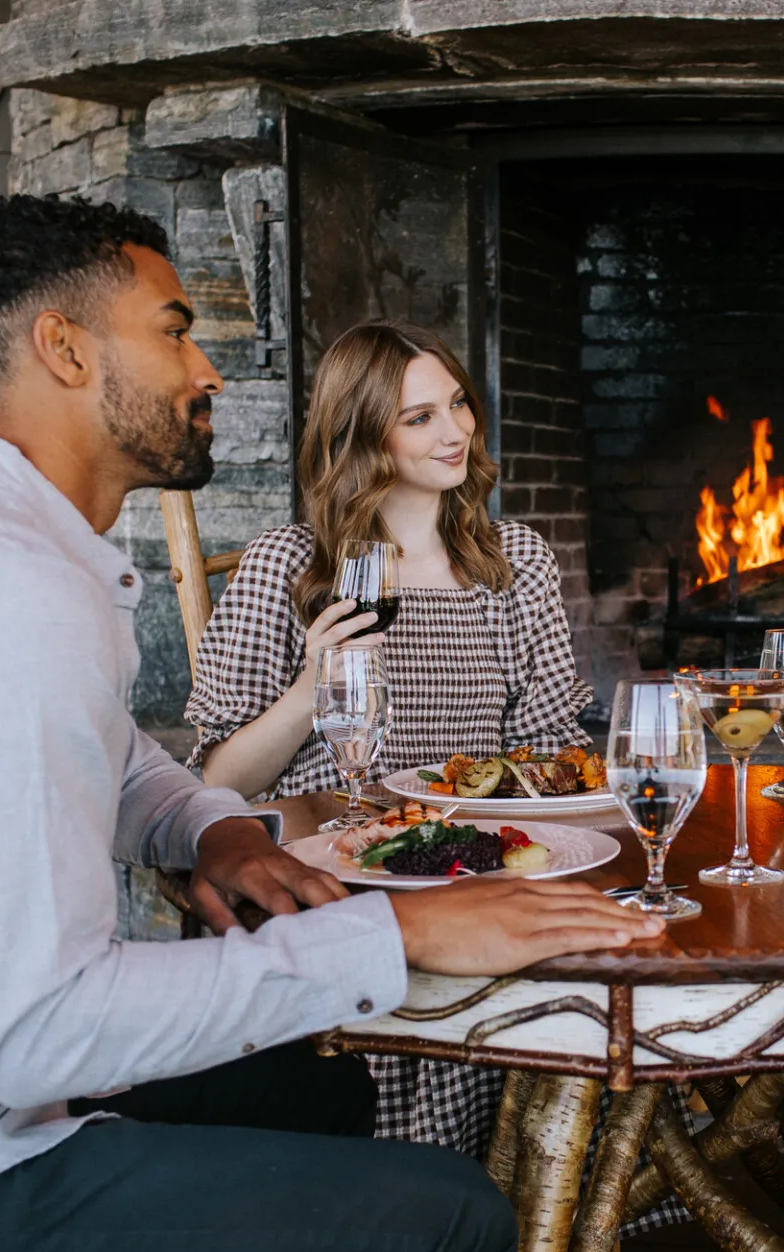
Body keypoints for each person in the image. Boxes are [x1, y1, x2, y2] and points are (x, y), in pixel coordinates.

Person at [0, 194, 665, 1252]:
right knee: (457, 1216)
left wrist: (214, 831)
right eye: (173, 330)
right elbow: (48, 1030)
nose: (206, 372)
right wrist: (398, 936)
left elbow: (120, 764)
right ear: (63, 349)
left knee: (325, 1086)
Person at [185, 319, 595, 1158]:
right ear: (363, 433)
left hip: (481, 859)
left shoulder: (512, 564)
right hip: (337, 871)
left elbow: (554, 748)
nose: (454, 433)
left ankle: (534, 1194)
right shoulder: (288, 566)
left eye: (458, 406)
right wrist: (312, 685)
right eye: (418, 418)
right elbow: (219, 782)